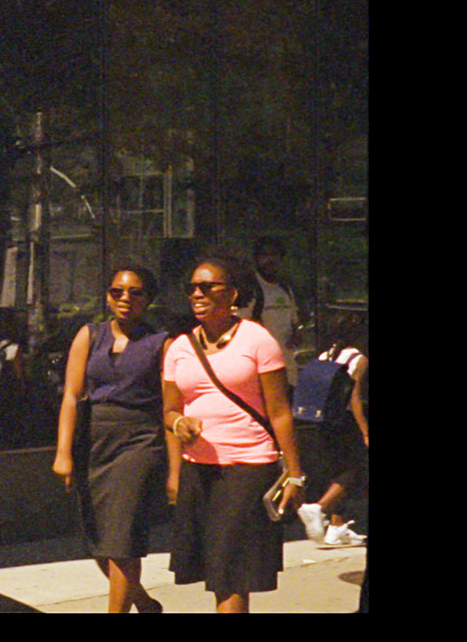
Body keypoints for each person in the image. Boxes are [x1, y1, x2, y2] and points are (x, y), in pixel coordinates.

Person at [163, 256, 305, 613]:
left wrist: (294, 474)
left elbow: (279, 411)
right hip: (199, 469)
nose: (198, 293)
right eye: (192, 287)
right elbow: (169, 411)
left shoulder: (257, 340)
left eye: (208, 287)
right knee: (218, 571)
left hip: (248, 467)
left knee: (231, 573)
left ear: (233, 294)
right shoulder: (179, 347)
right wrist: (179, 428)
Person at [52, 265, 171, 613]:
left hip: (139, 440)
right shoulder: (90, 335)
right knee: (99, 540)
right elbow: (71, 396)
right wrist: (63, 451)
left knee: (122, 538)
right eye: (116, 291)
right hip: (94, 440)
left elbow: (170, 405)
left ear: (148, 299)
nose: (125, 299)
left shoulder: (161, 343)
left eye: (135, 293)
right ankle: (145, 603)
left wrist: (174, 466)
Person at [295, 310, 368, 547]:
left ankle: (336, 526)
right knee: (354, 470)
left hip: (321, 422)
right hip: (344, 422)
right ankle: (318, 507)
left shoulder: (326, 355)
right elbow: (354, 397)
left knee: (336, 472)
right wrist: (365, 431)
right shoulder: (358, 358)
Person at [237, 237, 302, 387]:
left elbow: (293, 324)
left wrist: (296, 335)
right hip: (259, 372)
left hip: (286, 370)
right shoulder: (251, 291)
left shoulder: (285, 289)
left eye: (274, 255)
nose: (269, 260)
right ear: (256, 259)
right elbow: (238, 328)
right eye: (264, 255)